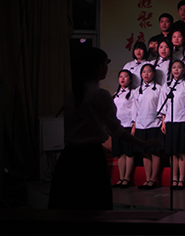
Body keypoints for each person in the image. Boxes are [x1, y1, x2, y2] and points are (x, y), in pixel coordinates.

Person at [48, 47, 157, 210]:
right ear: (99, 67)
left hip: (70, 156)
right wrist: (143, 144)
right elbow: (116, 130)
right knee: (95, 207)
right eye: (106, 64)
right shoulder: (100, 95)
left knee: (69, 208)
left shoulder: (72, 93)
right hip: (91, 158)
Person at [160, 60, 185, 190]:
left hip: (182, 121)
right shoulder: (166, 85)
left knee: (182, 151)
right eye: (174, 67)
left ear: (184, 70)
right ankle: (174, 178)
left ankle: (182, 179)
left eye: (179, 67)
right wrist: (163, 121)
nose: (177, 70)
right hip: (170, 121)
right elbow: (163, 105)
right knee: (172, 152)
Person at [133, 64, 163, 190]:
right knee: (145, 153)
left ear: (154, 74)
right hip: (141, 124)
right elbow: (135, 109)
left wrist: (161, 121)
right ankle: (147, 178)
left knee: (155, 152)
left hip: (154, 124)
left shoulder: (159, 89)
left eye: (149, 71)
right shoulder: (137, 90)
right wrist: (134, 124)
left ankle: (153, 179)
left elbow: (161, 106)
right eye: (144, 72)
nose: (146, 74)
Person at [111, 70, 136, 188]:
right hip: (117, 127)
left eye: (125, 77)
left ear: (130, 80)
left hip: (128, 125)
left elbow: (134, 110)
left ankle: (127, 178)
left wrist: (134, 125)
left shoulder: (133, 93)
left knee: (128, 153)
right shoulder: (116, 94)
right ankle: (121, 178)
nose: (122, 79)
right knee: (120, 153)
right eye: (120, 76)